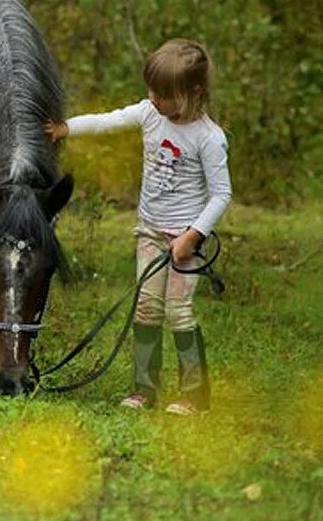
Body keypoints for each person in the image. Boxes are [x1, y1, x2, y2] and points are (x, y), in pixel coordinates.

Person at [45, 38, 232, 415]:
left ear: (193, 93)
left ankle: (194, 395)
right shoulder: (150, 113)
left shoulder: (209, 139)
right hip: (149, 231)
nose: (154, 98)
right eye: (152, 90)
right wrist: (67, 129)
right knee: (147, 308)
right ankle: (145, 390)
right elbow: (107, 121)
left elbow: (221, 195)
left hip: (184, 240)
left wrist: (192, 237)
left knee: (179, 313)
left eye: (163, 94)